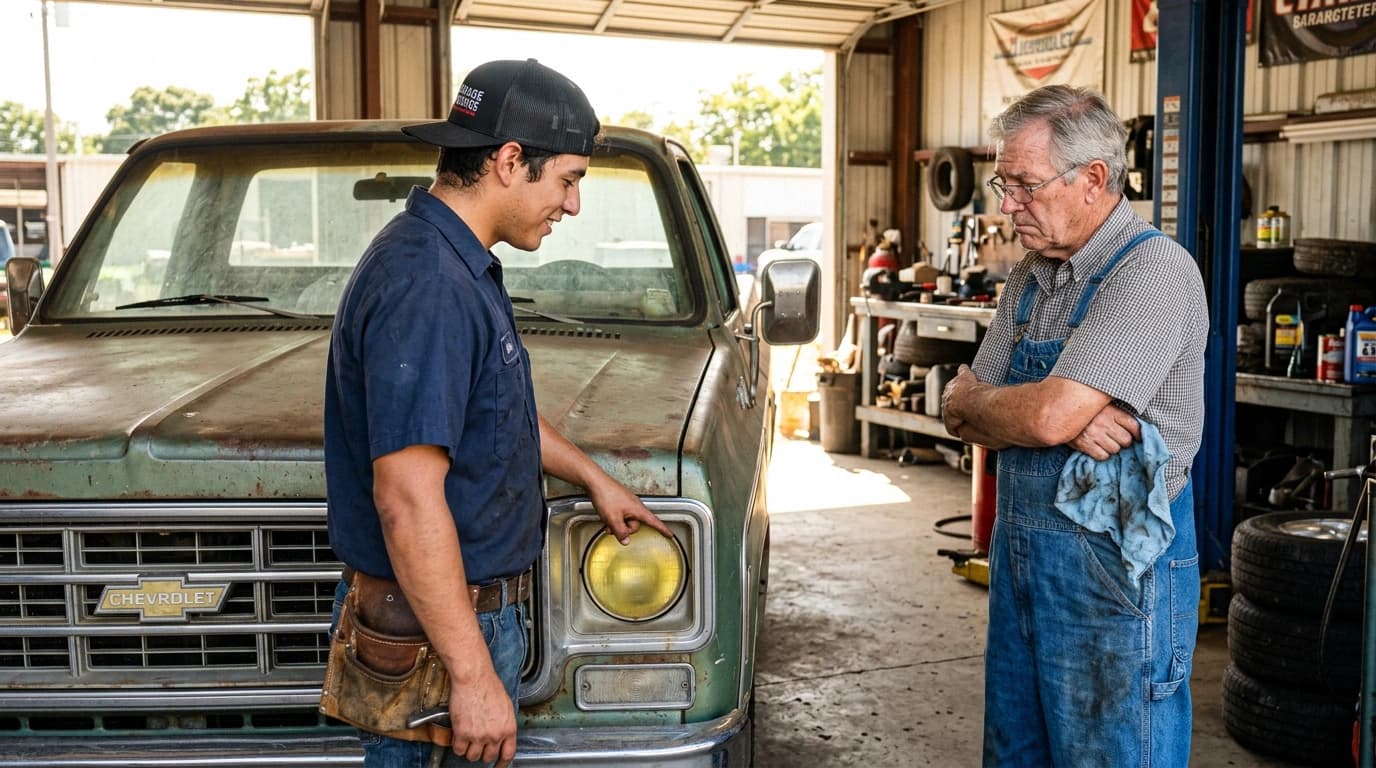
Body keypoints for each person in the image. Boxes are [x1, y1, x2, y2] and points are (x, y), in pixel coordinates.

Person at [323, 58, 671, 768]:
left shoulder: (455, 262)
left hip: (450, 628)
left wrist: (593, 477)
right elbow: (407, 500)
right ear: (511, 161)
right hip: (436, 643)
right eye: (569, 179)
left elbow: (490, 415)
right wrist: (474, 674)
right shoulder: (429, 284)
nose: (573, 205)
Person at [940, 84, 1208, 766]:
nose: (1007, 205)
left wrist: (1030, 410)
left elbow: (1043, 414)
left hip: (1116, 573)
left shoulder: (1153, 270)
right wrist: (1027, 412)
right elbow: (958, 409)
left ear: (1092, 179)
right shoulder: (1030, 277)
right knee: (1016, 753)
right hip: (1023, 563)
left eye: (1024, 185)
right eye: (1005, 184)